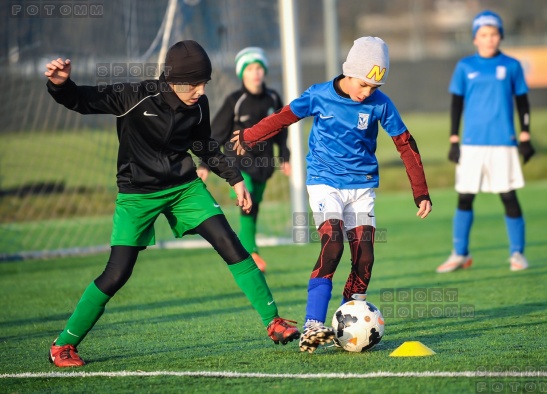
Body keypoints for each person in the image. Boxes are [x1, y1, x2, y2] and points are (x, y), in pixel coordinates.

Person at [44, 40, 300, 368]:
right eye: (195, 84)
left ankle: (274, 322)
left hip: (183, 188)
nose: (200, 90)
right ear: (175, 80)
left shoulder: (199, 104)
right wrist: (60, 84)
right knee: (117, 273)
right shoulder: (134, 96)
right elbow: (82, 99)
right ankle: (64, 345)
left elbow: (205, 145)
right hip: (137, 194)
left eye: (204, 83)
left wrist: (234, 179)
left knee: (231, 244)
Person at [231, 37, 433, 353]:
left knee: (365, 254)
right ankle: (313, 324)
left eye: (374, 87)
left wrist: (420, 191)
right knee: (333, 242)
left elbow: (405, 143)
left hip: (362, 185)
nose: (367, 92)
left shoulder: (380, 103)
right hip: (325, 181)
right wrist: (249, 136)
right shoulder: (319, 95)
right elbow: (284, 117)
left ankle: (347, 323)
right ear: (349, 71)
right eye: (364, 84)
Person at [436, 10, 535, 274]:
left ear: (500, 36)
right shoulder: (465, 66)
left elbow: (522, 102)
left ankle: (517, 253)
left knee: (508, 196)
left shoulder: (512, 66)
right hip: (471, 144)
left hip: (504, 142)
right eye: (483, 34)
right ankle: (460, 253)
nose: (489, 39)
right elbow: (456, 104)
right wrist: (454, 139)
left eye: (493, 34)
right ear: (475, 39)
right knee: (465, 197)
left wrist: (525, 134)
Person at [197, 47, 290, 272]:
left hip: (263, 165)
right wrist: (204, 164)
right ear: (242, 74)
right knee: (246, 197)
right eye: (250, 68)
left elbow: (281, 130)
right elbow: (217, 133)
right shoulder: (234, 101)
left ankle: (250, 250)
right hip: (238, 163)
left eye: (259, 67)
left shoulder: (273, 98)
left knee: (253, 206)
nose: (255, 72)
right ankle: (252, 252)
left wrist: (284, 156)